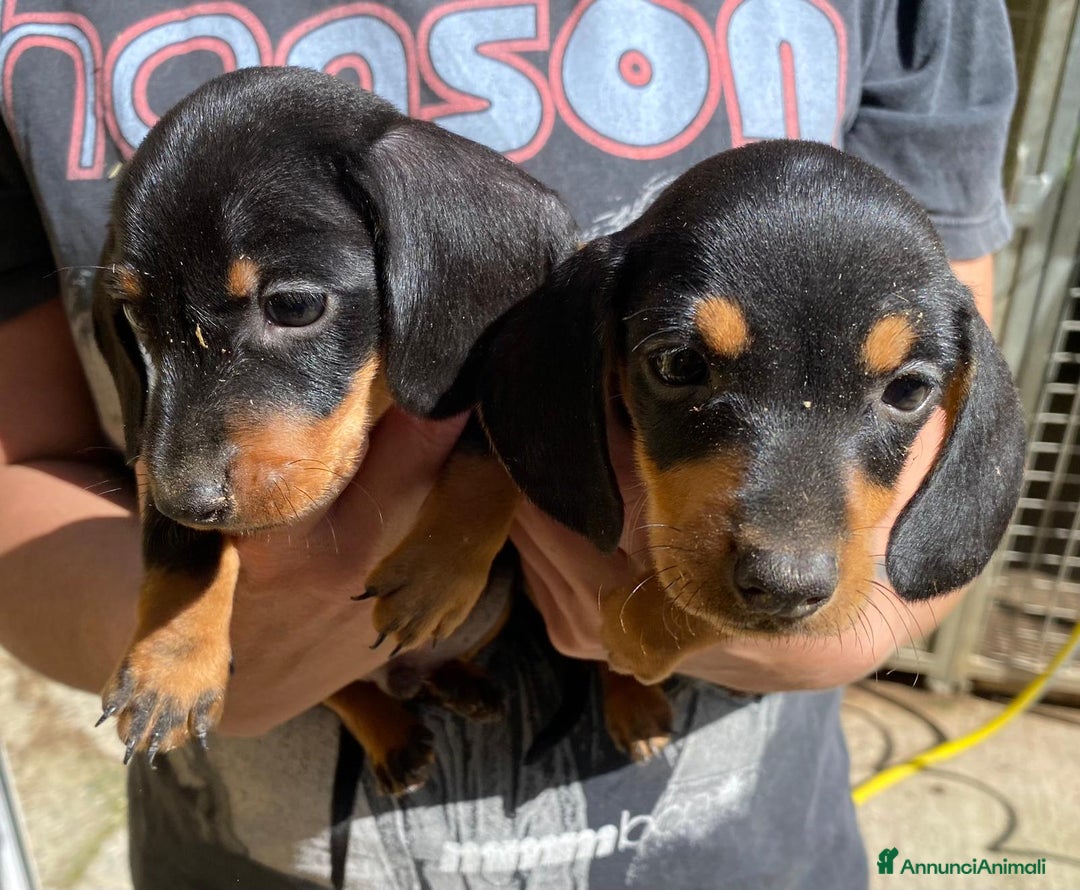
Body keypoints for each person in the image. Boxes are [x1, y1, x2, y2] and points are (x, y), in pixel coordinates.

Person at [0, 1, 1015, 887]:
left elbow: (941, 364)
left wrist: (824, 627)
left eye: (294, 305)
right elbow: (27, 453)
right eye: (679, 364)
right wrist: (197, 637)